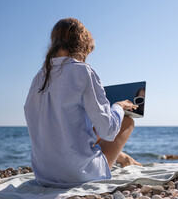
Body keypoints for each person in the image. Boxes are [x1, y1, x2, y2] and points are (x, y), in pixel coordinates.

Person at [24, 18, 141, 188]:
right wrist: (118, 106)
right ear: (81, 39)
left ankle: (125, 158)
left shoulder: (40, 77)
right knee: (127, 121)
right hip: (77, 174)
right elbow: (108, 131)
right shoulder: (83, 71)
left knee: (88, 130)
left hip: (43, 174)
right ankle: (125, 158)